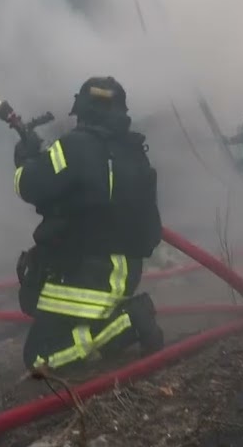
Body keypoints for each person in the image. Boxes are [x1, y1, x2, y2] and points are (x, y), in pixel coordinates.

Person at [11, 76, 165, 374]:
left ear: (82, 110)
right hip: (121, 272)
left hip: (88, 275)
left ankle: (127, 322)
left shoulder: (74, 147)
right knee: (62, 332)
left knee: (41, 358)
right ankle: (118, 320)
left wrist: (25, 159)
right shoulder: (133, 151)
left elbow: (30, 185)